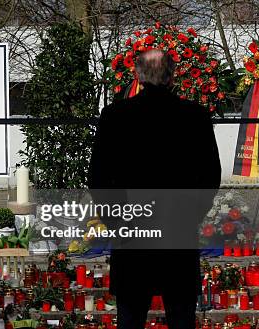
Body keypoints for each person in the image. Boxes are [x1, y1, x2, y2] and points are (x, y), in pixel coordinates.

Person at [89, 50, 221, 328]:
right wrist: (190, 215)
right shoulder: (195, 116)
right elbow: (210, 177)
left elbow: (99, 179)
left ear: (138, 75)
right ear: (172, 77)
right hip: (178, 232)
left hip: (132, 233)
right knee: (181, 316)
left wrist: (116, 221)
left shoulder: (115, 116)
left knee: (130, 317)